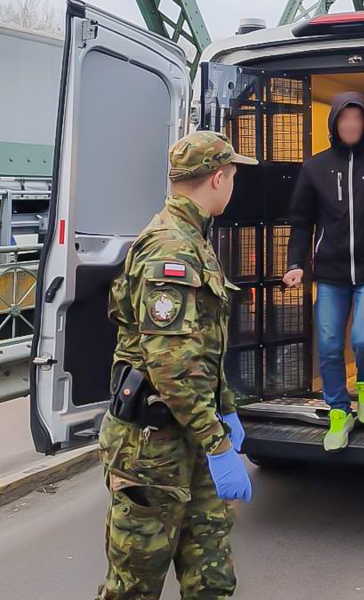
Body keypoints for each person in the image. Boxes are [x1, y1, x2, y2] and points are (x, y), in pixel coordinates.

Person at [97, 131, 257, 600]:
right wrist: (218, 443)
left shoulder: (193, 237)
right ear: (218, 178)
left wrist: (225, 409)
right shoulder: (171, 248)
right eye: (233, 175)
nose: (233, 185)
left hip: (192, 433)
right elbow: (169, 366)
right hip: (153, 447)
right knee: (135, 585)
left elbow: (203, 346)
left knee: (211, 579)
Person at [283, 92, 364, 451]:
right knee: (329, 345)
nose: (351, 125)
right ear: (335, 123)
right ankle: (339, 412)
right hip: (330, 273)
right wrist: (295, 264)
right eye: (344, 118)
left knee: (363, 339)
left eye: (357, 118)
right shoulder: (315, 167)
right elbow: (301, 222)